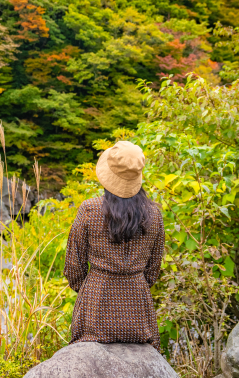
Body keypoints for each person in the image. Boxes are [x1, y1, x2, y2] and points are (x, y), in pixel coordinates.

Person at [64, 140, 165, 352]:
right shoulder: (154, 214)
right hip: (138, 310)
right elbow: (153, 271)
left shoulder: (90, 210)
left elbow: (74, 266)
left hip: (95, 307)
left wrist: (88, 288)